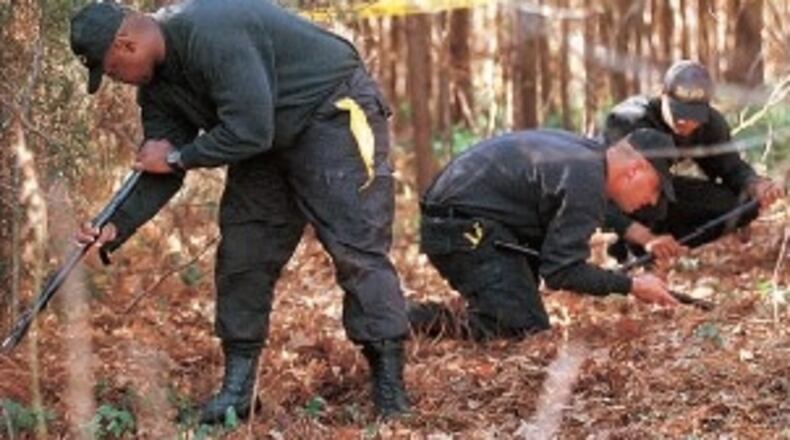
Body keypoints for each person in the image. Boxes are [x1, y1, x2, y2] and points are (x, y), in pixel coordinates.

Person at [70, 0, 409, 423]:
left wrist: (178, 157)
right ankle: (238, 391)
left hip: (331, 112)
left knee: (356, 249)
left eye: (113, 70)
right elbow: (161, 164)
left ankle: (391, 391)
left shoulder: (210, 31)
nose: (117, 80)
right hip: (264, 140)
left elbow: (242, 131)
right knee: (243, 255)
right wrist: (114, 224)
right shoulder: (156, 89)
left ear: (127, 44)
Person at [408, 128, 681, 341]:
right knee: (520, 327)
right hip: (460, 230)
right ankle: (399, 318)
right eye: (655, 189)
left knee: (522, 314)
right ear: (635, 170)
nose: (652, 200)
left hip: (462, 222)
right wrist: (632, 285)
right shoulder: (586, 180)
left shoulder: (587, 160)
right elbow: (561, 270)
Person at [602, 60, 785, 263]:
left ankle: (665, 249)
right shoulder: (630, 121)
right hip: (616, 197)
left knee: (744, 204)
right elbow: (599, 190)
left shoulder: (710, 124)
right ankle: (630, 249)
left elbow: (731, 168)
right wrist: (639, 234)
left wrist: (755, 184)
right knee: (646, 190)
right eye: (678, 112)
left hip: (663, 193)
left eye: (694, 115)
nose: (685, 122)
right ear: (663, 95)